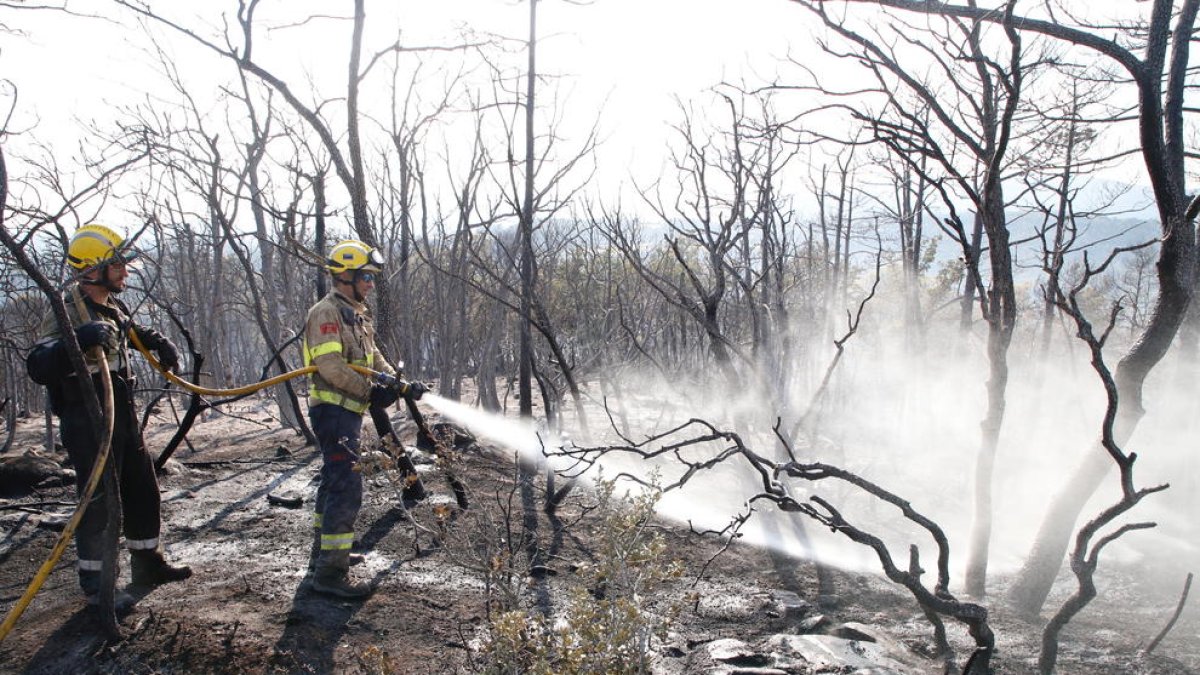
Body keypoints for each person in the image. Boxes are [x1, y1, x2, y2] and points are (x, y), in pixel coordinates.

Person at [25, 223, 192, 609]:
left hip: (121, 405)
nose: (125, 272)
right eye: (116, 265)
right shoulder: (66, 310)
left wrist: (154, 340)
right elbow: (38, 364)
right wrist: (78, 339)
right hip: (86, 413)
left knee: (141, 485)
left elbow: (127, 330)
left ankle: (147, 563)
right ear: (90, 269)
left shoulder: (109, 304)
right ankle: (97, 585)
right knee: (99, 498)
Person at [302, 239, 426, 598]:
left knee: (333, 481)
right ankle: (328, 575)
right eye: (366, 278)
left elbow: (373, 360)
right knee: (345, 485)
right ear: (346, 276)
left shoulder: (354, 312)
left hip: (347, 411)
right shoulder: (326, 313)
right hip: (332, 411)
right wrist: (371, 392)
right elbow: (330, 367)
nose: (371, 285)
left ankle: (326, 554)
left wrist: (401, 385)